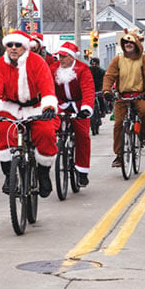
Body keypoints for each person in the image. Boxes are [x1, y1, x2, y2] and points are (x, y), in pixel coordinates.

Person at [0, 30, 58, 196]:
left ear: (25, 47)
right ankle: (9, 175)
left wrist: (49, 107)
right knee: (3, 133)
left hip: (35, 107)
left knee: (46, 133)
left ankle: (43, 173)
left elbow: (46, 85)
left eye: (17, 45)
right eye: (10, 45)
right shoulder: (1, 64)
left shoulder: (37, 62)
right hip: (10, 107)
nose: (13, 48)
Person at [102, 28, 145, 168]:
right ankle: (119, 155)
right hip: (122, 96)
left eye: (131, 43)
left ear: (137, 44)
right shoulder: (118, 59)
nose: (128, 45)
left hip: (140, 95)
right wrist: (107, 91)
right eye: (125, 42)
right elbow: (109, 76)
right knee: (118, 124)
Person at [49, 42, 94, 187]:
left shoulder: (82, 69)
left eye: (63, 56)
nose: (60, 59)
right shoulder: (53, 69)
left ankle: (82, 171)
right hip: (59, 104)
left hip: (79, 105)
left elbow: (88, 90)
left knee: (82, 135)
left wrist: (86, 109)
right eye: (59, 56)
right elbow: (48, 88)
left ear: (71, 57)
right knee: (49, 129)